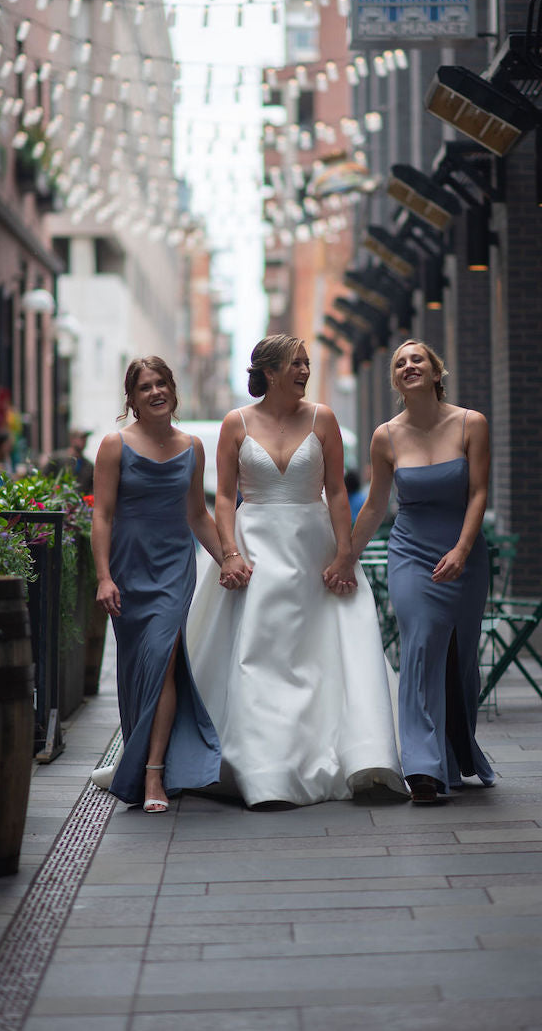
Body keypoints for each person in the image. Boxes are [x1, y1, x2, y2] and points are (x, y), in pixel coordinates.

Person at [186, 334, 405, 808]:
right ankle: (262, 767)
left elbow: (338, 492)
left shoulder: (323, 418)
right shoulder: (235, 423)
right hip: (254, 547)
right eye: (296, 364)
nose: (305, 371)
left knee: (319, 654)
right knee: (257, 654)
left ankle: (340, 752)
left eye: (307, 363)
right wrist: (229, 553)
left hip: (313, 547)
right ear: (269, 372)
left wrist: (345, 554)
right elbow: (224, 497)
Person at [351, 340, 495, 804]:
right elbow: (375, 506)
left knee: (462, 660)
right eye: (399, 362)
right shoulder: (385, 437)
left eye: (417, 360)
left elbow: (478, 493)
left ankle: (454, 751)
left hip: (465, 552)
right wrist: (345, 556)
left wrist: (462, 549)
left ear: (437, 373)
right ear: (396, 380)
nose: (408, 365)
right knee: (420, 646)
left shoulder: (471, 423)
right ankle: (423, 767)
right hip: (411, 553)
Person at [90, 356, 224, 813]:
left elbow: (197, 515)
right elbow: (102, 515)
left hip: (173, 569)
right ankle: (141, 757)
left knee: (163, 659)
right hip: (128, 571)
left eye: (161, 382)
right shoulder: (114, 446)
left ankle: (153, 775)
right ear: (132, 399)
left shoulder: (192, 447)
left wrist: (228, 558)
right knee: (137, 669)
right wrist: (104, 576)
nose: (155, 392)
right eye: (144, 387)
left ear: (173, 389)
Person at [45, 427, 95, 494]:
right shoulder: (57, 459)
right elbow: (45, 479)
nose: (84, 441)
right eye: (81, 438)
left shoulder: (89, 466)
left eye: (85, 438)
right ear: (72, 439)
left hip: (81, 502)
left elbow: (91, 488)